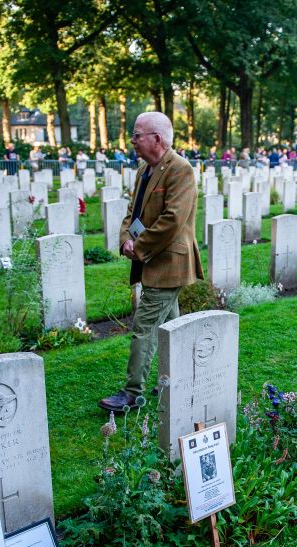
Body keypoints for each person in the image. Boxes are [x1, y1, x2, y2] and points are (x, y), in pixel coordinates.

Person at [98, 111, 203, 411]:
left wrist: (140, 246)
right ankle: (179, 378)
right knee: (174, 327)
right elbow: (132, 213)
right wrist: (125, 240)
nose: (132, 140)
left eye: (137, 134)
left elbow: (173, 219)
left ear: (156, 138)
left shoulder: (180, 170)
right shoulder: (144, 170)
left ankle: (132, 392)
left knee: (144, 327)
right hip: (151, 259)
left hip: (168, 263)